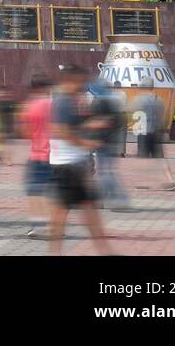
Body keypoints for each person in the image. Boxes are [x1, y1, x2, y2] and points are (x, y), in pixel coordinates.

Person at [48, 66, 113, 256]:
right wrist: (85, 144)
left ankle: (104, 251)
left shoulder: (70, 101)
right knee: (64, 212)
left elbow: (72, 127)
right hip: (68, 165)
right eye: (80, 81)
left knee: (86, 209)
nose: (83, 85)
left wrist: (92, 125)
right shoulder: (63, 102)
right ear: (70, 80)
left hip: (73, 163)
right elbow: (61, 131)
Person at [18, 76, 53, 234]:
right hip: (56, 155)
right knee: (53, 192)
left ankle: (39, 226)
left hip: (38, 155)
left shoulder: (29, 107)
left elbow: (25, 133)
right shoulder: (56, 105)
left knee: (34, 190)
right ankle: (55, 225)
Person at [90, 79, 130, 208]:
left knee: (105, 172)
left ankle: (120, 199)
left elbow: (96, 122)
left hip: (102, 141)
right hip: (111, 141)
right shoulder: (115, 101)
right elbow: (119, 121)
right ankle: (103, 199)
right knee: (106, 171)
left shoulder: (99, 102)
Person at [132, 84, 175, 190]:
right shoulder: (159, 100)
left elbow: (135, 114)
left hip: (144, 132)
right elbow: (162, 115)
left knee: (143, 157)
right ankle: (170, 180)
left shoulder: (138, 99)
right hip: (156, 132)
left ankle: (143, 182)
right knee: (161, 158)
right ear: (152, 87)